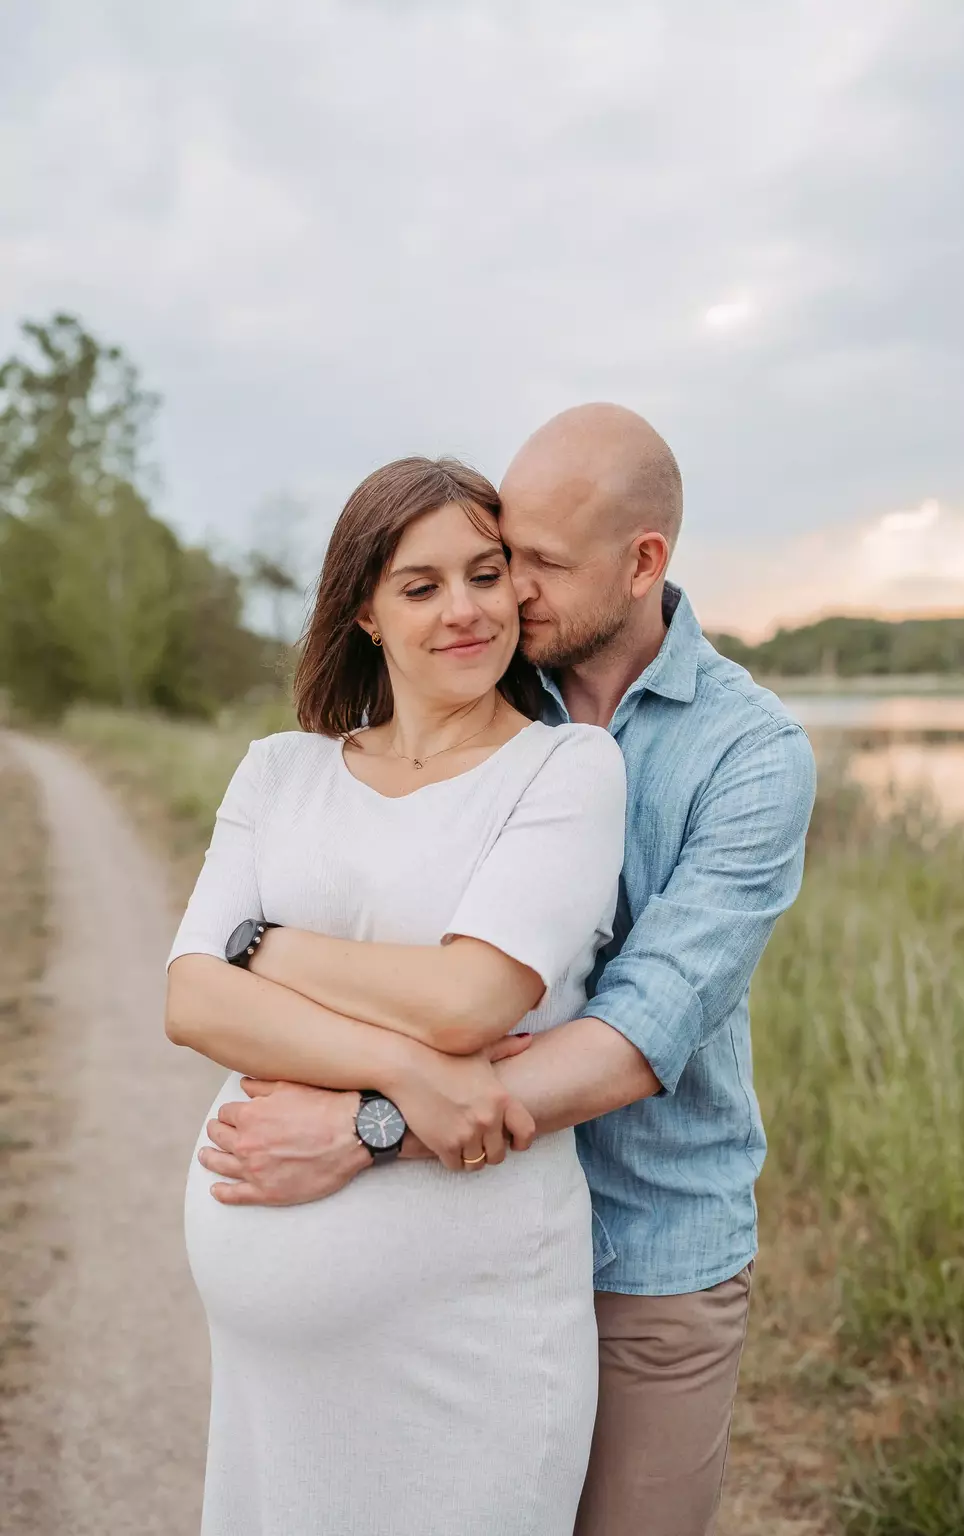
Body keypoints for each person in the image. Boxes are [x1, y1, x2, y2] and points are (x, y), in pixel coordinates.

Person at [197, 404, 818, 1536]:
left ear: (643, 565)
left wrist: (367, 1123)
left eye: (532, 564)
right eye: (496, 557)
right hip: (453, 1241)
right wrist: (263, 958)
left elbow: (633, 1036)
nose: (503, 594)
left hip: (644, 1241)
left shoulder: (749, 756)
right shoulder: (491, 688)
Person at [164, 456, 628, 1536]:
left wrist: (265, 947)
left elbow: (471, 999)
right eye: (420, 587)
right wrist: (411, 1067)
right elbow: (192, 1000)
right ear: (365, 610)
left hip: (469, 1337)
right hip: (273, 1371)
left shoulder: (565, 769)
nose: (464, 610)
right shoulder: (280, 772)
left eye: (485, 572)